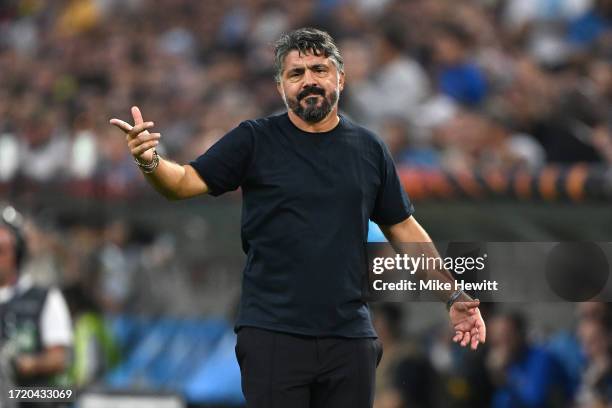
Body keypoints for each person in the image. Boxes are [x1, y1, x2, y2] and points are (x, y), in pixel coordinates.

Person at [110, 27, 486, 408]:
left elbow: (404, 228)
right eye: (296, 73)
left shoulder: (369, 149)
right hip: (273, 332)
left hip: (349, 336)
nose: (309, 81)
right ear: (280, 86)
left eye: (319, 70)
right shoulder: (254, 140)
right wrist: (150, 160)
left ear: (340, 77)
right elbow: (183, 183)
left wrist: (452, 293)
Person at [0, 206, 73, 407]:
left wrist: (30, 364)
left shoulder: (45, 298)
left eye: (1, 251)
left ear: (17, 252)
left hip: (27, 396)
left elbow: (60, 359)